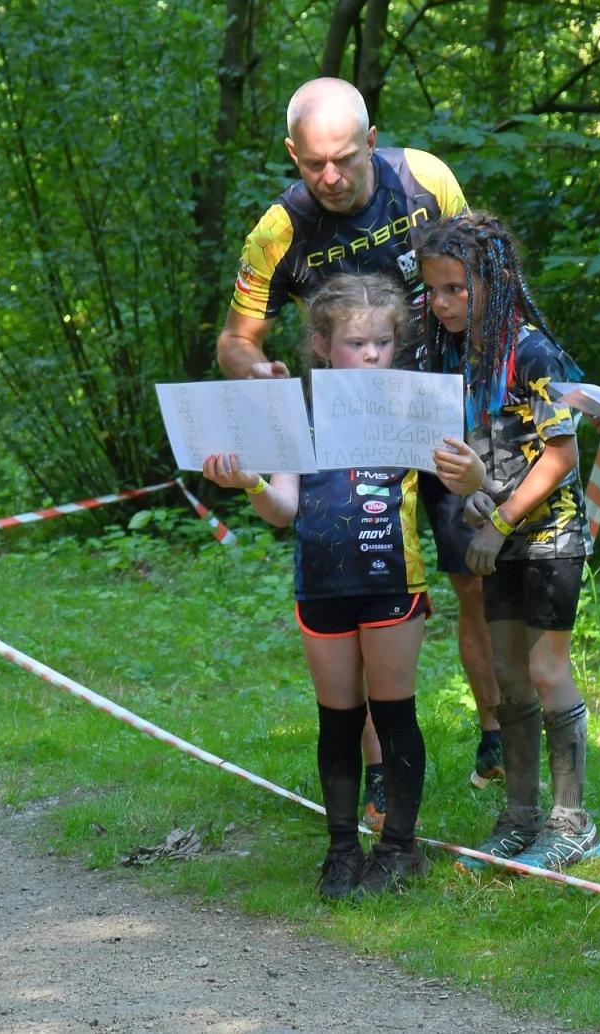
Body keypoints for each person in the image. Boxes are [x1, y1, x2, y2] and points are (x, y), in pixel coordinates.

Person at [215, 77, 502, 801]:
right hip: (351, 425)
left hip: (440, 403)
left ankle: (499, 734)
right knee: (367, 584)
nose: (331, 177)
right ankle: (378, 775)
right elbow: (234, 341)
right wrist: (258, 369)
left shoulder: (424, 179)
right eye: (314, 164)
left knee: (478, 574)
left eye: (344, 159)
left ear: (372, 141)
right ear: (293, 154)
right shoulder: (278, 230)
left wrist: (502, 375)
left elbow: (479, 279)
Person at [203, 273, 430, 900]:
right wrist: (249, 481)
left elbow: (459, 484)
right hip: (323, 586)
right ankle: (341, 850)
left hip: (392, 580)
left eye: (383, 342)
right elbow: (282, 509)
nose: (372, 355)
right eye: (357, 343)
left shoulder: (413, 406)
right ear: (323, 346)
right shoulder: (295, 412)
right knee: (338, 721)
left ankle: (399, 849)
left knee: (395, 716)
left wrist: (467, 477)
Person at [423, 211, 600, 873]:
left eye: (455, 289)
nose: (442, 303)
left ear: (493, 283)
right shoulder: (458, 355)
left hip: (550, 538)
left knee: (547, 670)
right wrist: (476, 498)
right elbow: (478, 459)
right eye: (433, 290)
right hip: (496, 540)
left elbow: (561, 455)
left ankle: (573, 822)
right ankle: (521, 817)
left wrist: (498, 522)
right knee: (507, 675)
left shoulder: (532, 352)